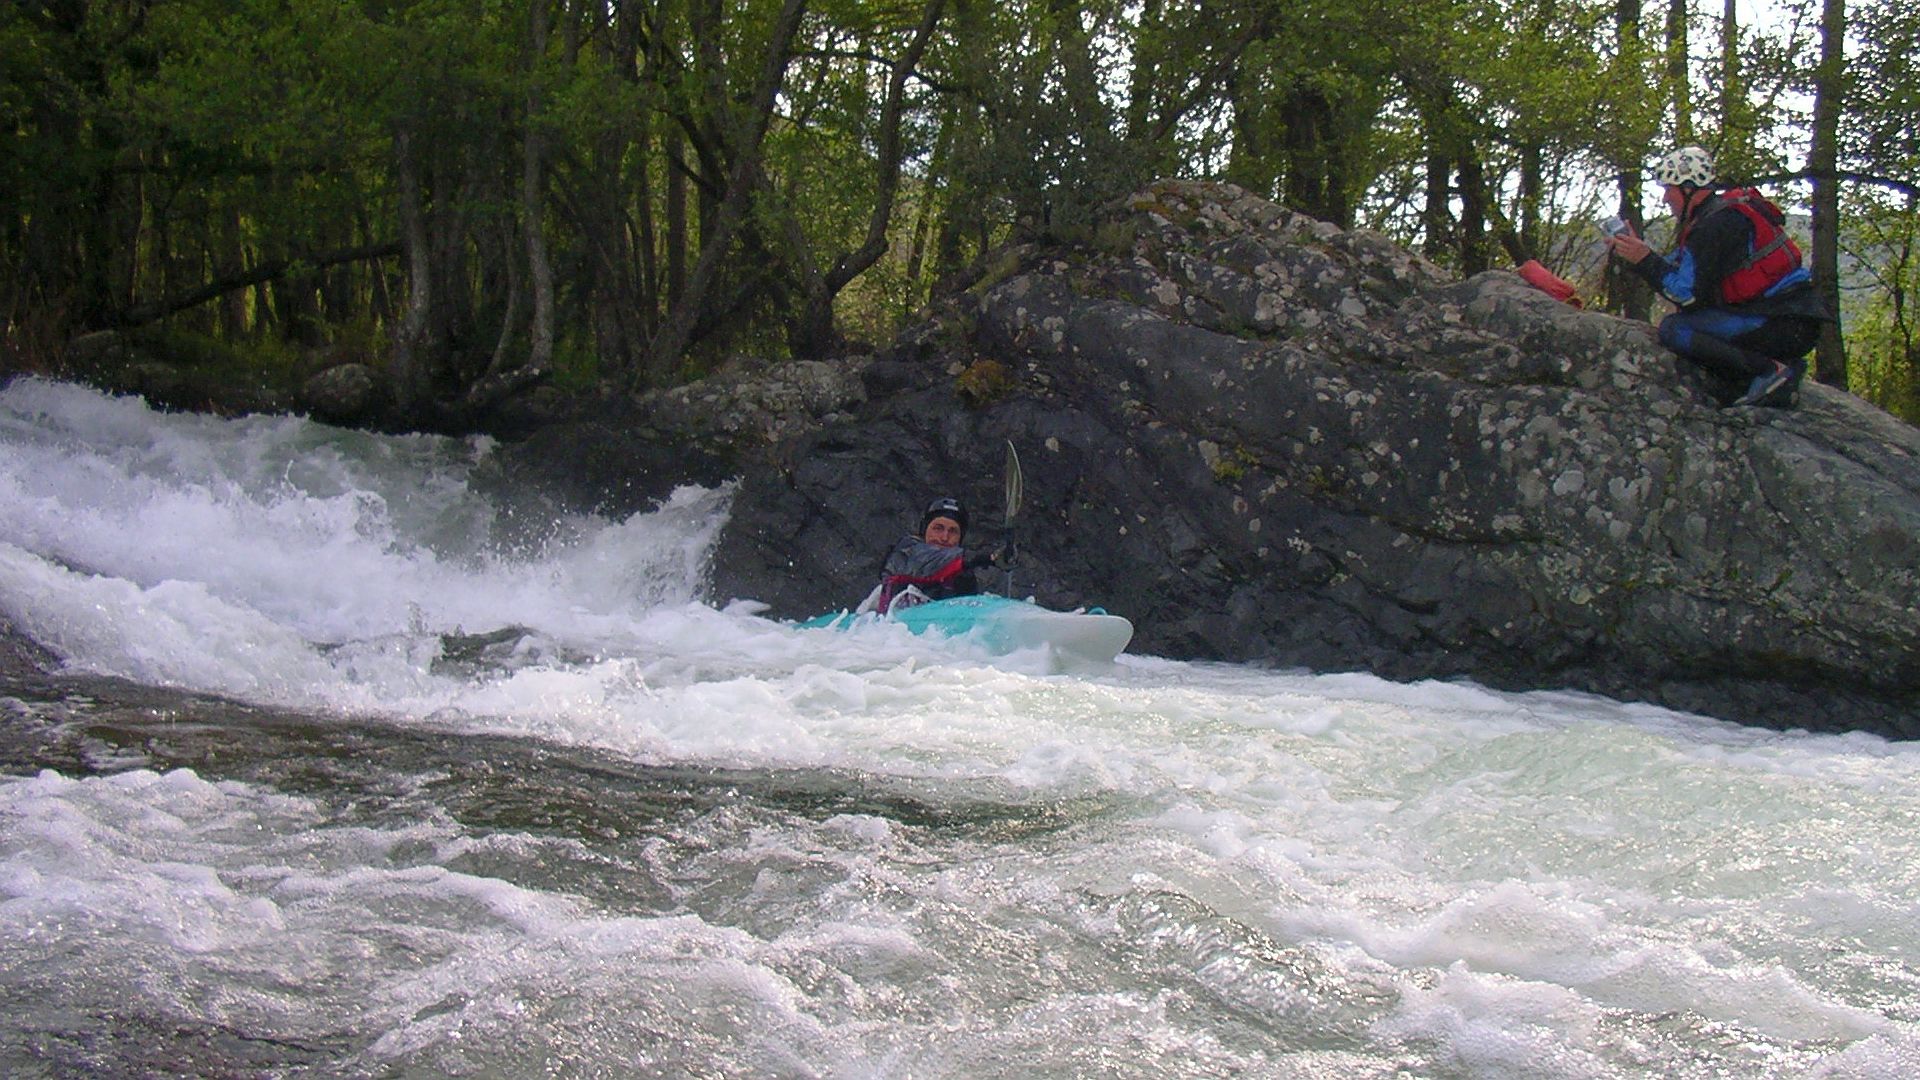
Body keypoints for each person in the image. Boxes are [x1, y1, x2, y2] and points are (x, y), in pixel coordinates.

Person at [1605, 145, 1829, 408]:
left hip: (1780, 324)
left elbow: (1687, 296)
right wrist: (1638, 254)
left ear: (1688, 189)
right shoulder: (1719, 215)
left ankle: (1769, 370)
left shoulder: (1714, 226)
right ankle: (1768, 370)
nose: (1666, 198)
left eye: (1669, 189)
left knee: (1676, 328)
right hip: (1792, 322)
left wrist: (1643, 260)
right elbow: (1678, 270)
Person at [857, 496, 1003, 614]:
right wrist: (990, 557)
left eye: (953, 531)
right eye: (938, 528)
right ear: (924, 530)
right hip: (891, 639)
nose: (944, 537)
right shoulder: (906, 553)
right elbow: (932, 562)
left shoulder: (963, 573)